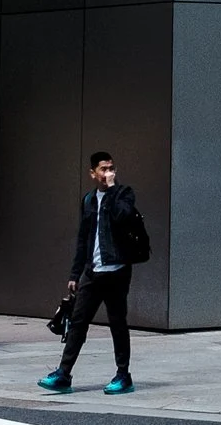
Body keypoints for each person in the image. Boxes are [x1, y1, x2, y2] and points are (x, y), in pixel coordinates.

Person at [40, 149, 151, 393]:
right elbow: (83, 238)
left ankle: (123, 375)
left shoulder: (123, 193)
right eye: (103, 169)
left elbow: (123, 217)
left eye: (111, 168)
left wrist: (111, 189)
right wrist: (74, 274)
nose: (108, 173)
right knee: (78, 322)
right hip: (92, 271)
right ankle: (63, 373)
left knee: (117, 323)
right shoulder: (88, 200)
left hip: (117, 270)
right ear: (93, 173)